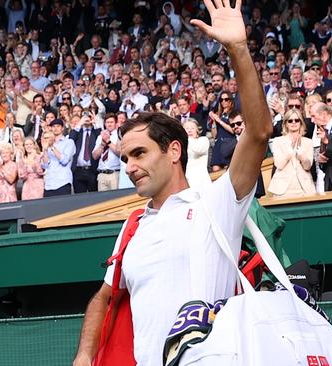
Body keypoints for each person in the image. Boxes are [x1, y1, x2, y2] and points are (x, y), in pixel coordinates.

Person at [73, 1, 272, 364]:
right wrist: (84, 356)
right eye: (125, 158)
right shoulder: (132, 226)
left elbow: (258, 133)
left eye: (139, 154)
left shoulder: (215, 204)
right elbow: (104, 296)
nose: (130, 167)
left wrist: (238, 49)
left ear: (174, 151)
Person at [268, 109, 316, 198]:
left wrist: (300, 153)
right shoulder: (278, 141)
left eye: (296, 120)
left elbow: (307, 166)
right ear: (286, 123)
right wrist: (290, 149)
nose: (293, 123)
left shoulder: (308, 142)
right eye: (290, 121)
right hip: (283, 189)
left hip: (304, 188)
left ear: (301, 123)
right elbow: (279, 164)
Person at [40, 122, 75, 197]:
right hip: (49, 184)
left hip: (63, 182)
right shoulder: (47, 143)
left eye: (58, 126)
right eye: (53, 126)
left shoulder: (69, 142)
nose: (55, 128)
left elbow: (65, 161)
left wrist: (52, 147)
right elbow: (45, 165)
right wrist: (45, 150)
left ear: (62, 128)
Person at [92, 113, 121, 191]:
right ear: (105, 124)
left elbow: (119, 153)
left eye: (111, 122)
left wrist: (108, 141)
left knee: (115, 200)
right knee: (102, 201)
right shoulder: (100, 136)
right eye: (107, 122)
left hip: (114, 174)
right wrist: (102, 145)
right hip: (102, 174)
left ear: (116, 123)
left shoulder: (119, 136)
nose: (109, 124)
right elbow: (94, 156)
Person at [183, 118, 211, 189]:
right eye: (186, 128)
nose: (189, 130)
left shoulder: (203, 140)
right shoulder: (182, 146)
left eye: (192, 128)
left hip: (201, 181)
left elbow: (198, 149)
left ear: (197, 130)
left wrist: (187, 138)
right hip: (187, 182)